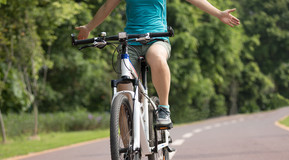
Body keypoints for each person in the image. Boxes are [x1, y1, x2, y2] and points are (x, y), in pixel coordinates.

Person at [76, 0, 240, 129]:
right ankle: (127, 157)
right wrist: (88, 27)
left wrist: (219, 13)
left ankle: (163, 108)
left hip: (157, 38)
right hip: (131, 42)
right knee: (124, 96)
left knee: (157, 57)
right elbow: (106, 7)